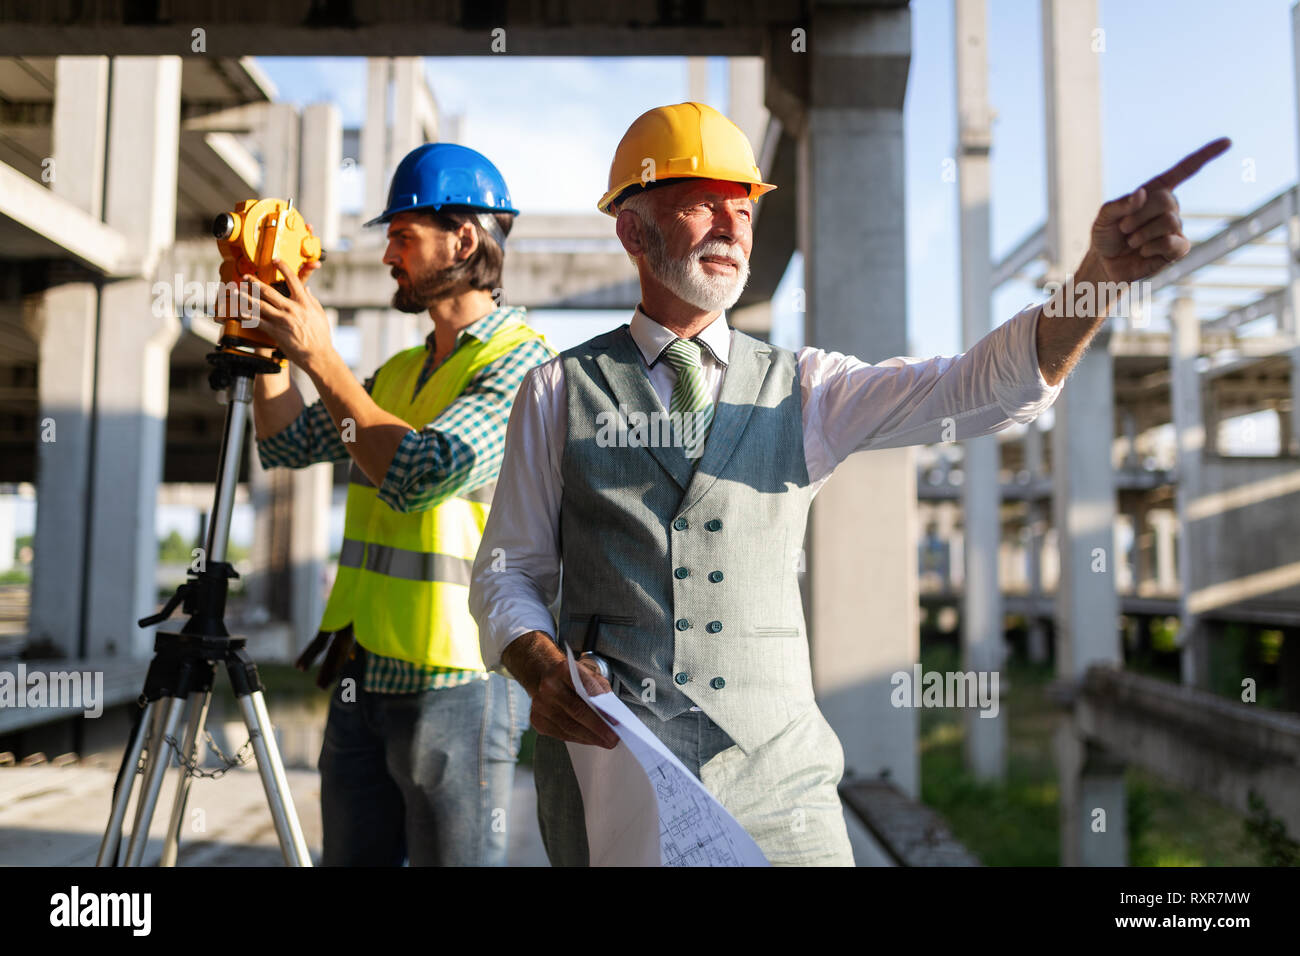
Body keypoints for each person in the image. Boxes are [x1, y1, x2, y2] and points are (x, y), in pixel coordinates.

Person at [469, 100, 1229, 866]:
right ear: (635, 230)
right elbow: (509, 572)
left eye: (744, 208)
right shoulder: (557, 391)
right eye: (703, 204)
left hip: (781, 795)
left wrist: (1095, 282)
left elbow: (973, 390)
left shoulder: (807, 386)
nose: (733, 227)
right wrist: (539, 666)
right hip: (616, 787)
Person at [246, 143, 553, 866]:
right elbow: (286, 445)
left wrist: (321, 356)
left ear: (465, 240)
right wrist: (266, 348)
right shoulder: (400, 370)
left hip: (458, 683)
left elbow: (423, 469)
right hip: (363, 669)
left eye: (403, 235)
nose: (387, 253)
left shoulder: (523, 366)